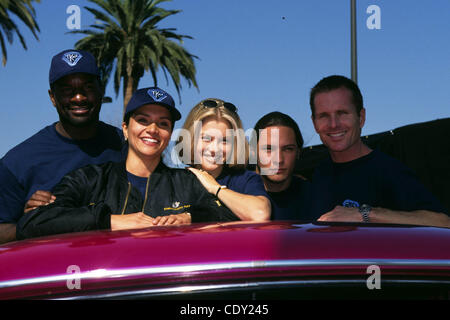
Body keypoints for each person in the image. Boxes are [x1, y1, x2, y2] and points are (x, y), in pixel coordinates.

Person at [16, 87, 238, 240]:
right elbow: (32, 224)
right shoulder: (89, 178)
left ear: (169, 134)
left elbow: (230, 217)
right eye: (143, 120)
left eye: (163, 123)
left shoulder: (186, 182)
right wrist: (108, 220)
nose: (152, 130)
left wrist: (191, 218)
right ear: (125, 128)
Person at [0, 49, 125, 244]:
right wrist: (34, 223)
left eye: (87, 87)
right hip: (52, 270)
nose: (78, 98)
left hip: (120, 268)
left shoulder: (126, 146)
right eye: (67, 91)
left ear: (101, 91)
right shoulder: (18, 162)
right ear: (52, 97)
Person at [308, 75, 450, 228]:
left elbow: (443, 221)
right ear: (315, 123)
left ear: (361, 117)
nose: (334, 124)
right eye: (324, 116)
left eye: (342, 113)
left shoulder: (388, 170)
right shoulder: (319, 174)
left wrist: (365, 214)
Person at [176, 98, 271, 221]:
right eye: (206, 138)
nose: (215, 149)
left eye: (225, 141)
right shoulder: (174, 180)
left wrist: (215, 188)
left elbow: (260, 213)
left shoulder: (245, 180)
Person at [252, 111, 312, 220]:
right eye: (268, 149)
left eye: (288, 149)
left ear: (298, 152)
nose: (278, 159)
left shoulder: (316, 196)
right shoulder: (235, 193)